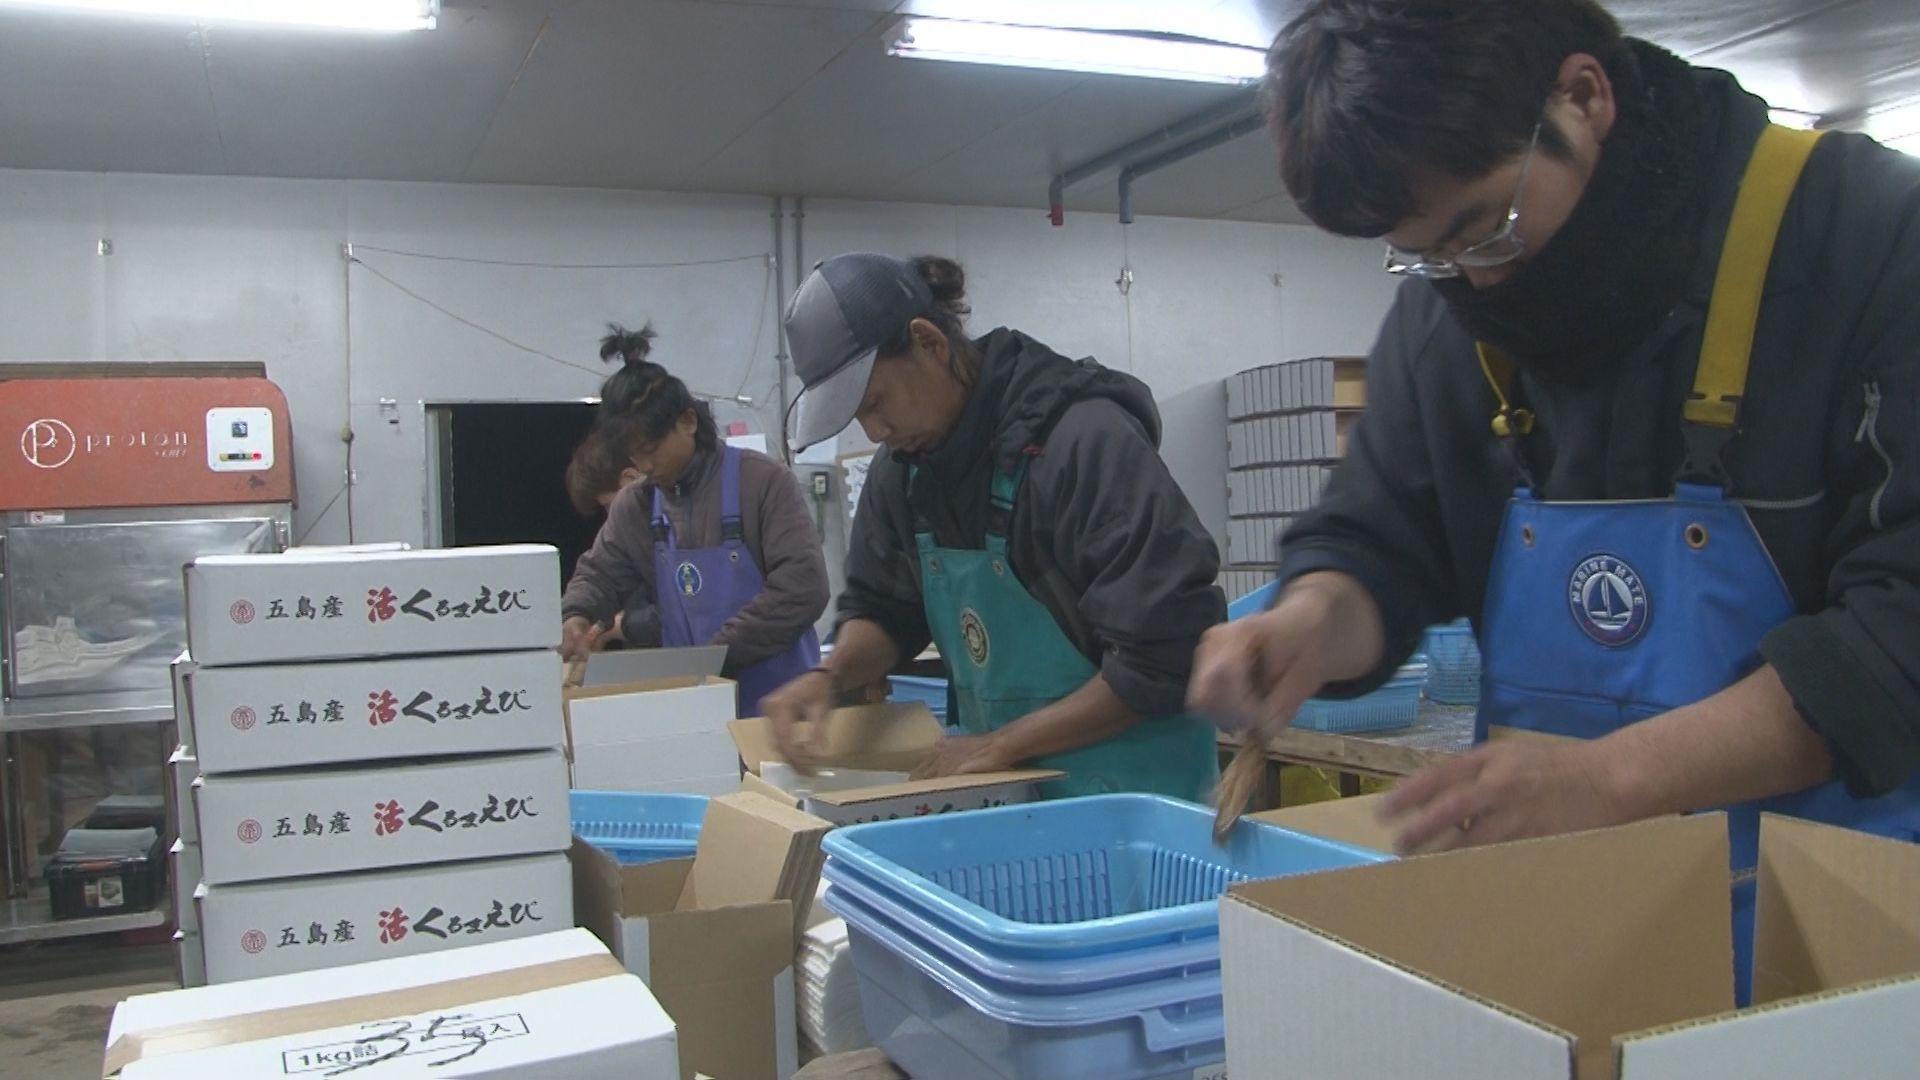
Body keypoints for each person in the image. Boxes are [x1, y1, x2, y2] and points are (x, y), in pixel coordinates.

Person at [1188, 0, 1920, 996]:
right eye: (1426, 255)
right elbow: (1384, 536)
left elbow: (1900, 630)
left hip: (1847, 948)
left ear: (1583, 97)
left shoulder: (1867, 237)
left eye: (1484, 229)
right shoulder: (1452, 307)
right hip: (1571, 939)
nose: (1472, 286)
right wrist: (1316, 619)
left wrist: (1612, 778)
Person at [760, 253, 1222, 801]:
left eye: (876, 402)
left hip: (1139, 802)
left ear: (930, 343)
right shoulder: (904, 473)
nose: (876, 430)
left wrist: (1001, 744)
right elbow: (887, 610)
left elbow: (1163, 657)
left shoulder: (1081, 443)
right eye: (858, 418)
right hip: (1009, 800)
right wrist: (832, 677)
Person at [561, 323, 829, 717]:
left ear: (687, 421)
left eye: (651, 449)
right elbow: (600, 574)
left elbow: (803, 589)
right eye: (635, 457)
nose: (646, 466)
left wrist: (716, 653)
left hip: (779, 707)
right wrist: (576, 615)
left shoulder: (763, 482)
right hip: (694, 708)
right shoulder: (637, 504)